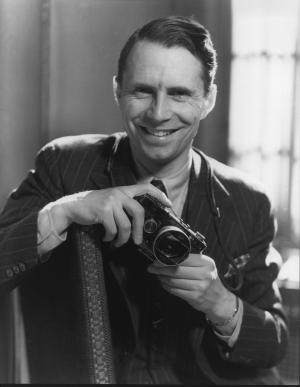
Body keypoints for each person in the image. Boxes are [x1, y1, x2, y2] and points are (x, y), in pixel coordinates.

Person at [0, 15, 288, 384]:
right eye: (143, 91)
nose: (158, 113)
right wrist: (65, 210)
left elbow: (274, 342)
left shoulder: (248, 202)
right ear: (118, 90)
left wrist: (220, 303)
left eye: (180, 93)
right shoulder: (64, 166)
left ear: (208, 99)